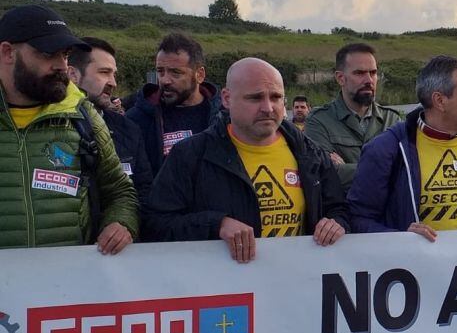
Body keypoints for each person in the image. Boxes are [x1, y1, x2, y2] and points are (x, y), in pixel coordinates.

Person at [144, 58, 347, 261]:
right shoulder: (190, 155)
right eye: (255, 98)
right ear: (226, 98)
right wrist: (217, 225)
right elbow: (155, 224)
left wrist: (336, 223)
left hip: (294, 285)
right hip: (224, 287)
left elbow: (339, 209)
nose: (267, 108)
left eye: (276, 97)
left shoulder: (310, 153)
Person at [0, 5, 138, 253]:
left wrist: (120, 223)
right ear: (8, 52)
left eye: (64, 54)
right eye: (48, 54)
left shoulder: (83, 117)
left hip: (70, 286)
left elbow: (119, 191)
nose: (62, 66)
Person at [348, 55, 457, 242]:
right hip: (417, 267)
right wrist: (401, 238)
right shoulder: (386, 148)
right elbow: (358, 218)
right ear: (439, 101)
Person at [67, 37, 153, 209]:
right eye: (104, 72)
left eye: (114, 74)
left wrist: (125, 224)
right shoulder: (49, 128)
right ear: (73, 74)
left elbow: (144, 192)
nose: (113, 83)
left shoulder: (129, 129)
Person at [305, 43, 403, 184]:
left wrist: (345, 169)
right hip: (345, 206)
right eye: (359, 73)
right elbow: (325, 174)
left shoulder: (392, 119)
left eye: (373, 73)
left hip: (388, 206)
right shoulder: (319, 121)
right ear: (340, 78)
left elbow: (403, 171)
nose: (369, 80)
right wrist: (385, 168)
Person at [126, 32, 222, 175]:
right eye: (160, 71)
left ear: (199, 75)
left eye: (175, 73)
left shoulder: (224, 116)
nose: (165, 80)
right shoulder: (138, 119)